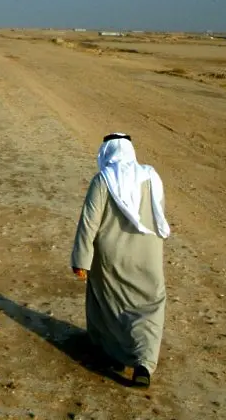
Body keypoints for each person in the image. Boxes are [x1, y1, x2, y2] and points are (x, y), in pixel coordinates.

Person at [70, 133, 170, 388]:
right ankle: (144, 364)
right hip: (149, 254)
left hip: (111, 257)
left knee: (109, 304)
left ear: (107, 152)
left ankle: (112, 354)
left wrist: (81, 260)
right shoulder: (151, 175)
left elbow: (89, 223)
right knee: (150, 305)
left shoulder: (103, 180)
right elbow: (158, 213)